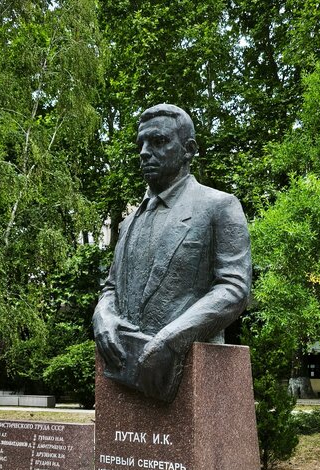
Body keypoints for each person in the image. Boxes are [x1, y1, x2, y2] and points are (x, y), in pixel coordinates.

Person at [92, 103, 251, 402]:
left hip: (186, 363)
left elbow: (234, 288)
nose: (144, 152)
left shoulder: (219, 207)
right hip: (124, 363)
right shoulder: (128, 223)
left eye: (159, 141)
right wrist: (102, 318)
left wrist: (170, 340)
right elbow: (111, 288)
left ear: (188, 149)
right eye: (141, 143)